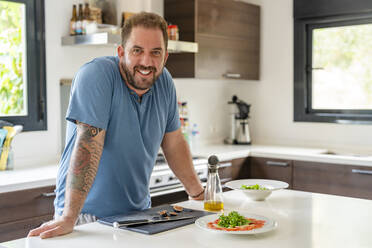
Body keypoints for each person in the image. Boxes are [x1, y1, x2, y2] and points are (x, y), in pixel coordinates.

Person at [28, 12, 204, 239]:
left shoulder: (165, 83)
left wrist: (198, 194)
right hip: (87, 218)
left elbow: (174, 143)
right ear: (121, 52)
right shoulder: (97, 75)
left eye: (155, 53)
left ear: (165, 57)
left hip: (139, 215)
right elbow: (88, 144)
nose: (146, 62)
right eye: (137, 51)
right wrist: (69, 217)